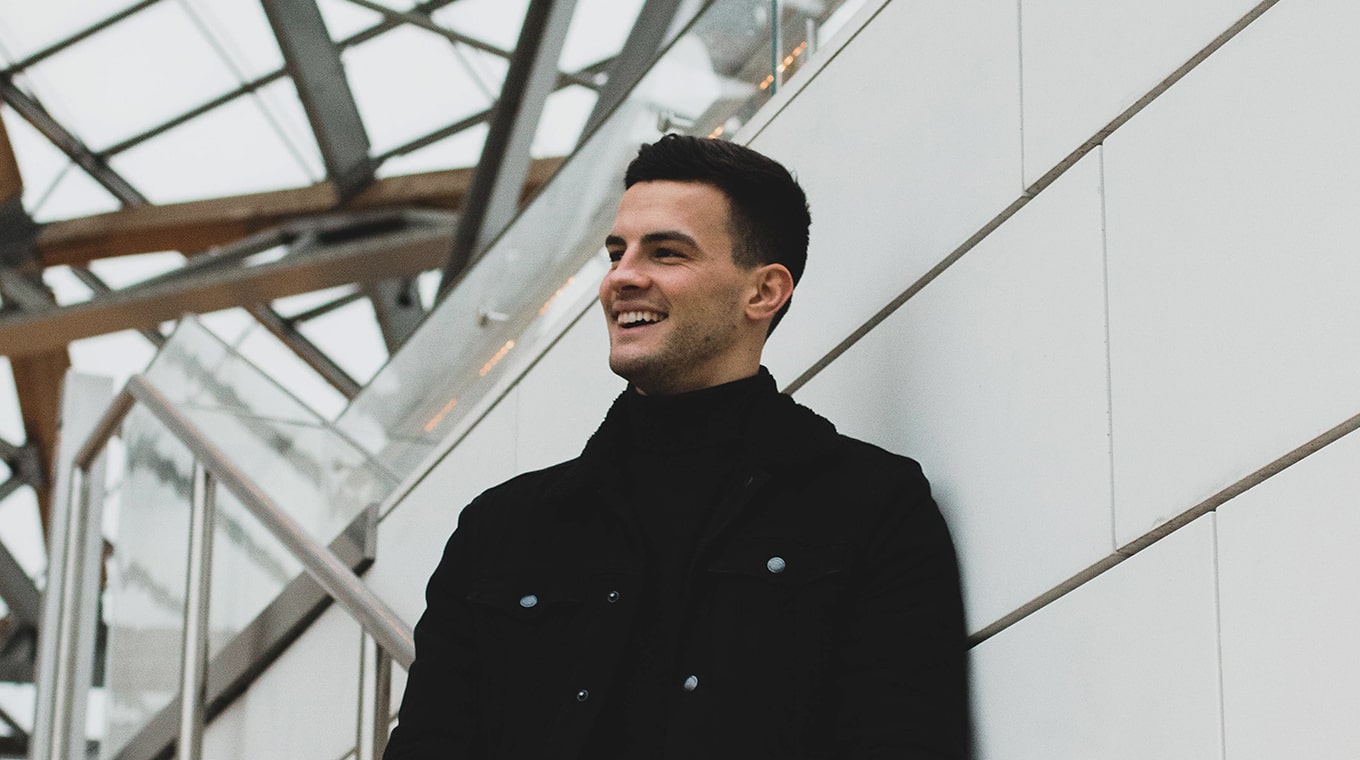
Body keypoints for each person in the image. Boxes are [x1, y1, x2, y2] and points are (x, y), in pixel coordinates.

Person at [383, 134, 968, 759]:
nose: (622, 277)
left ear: (764, 292)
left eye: (666, 253)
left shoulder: (870, 506)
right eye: (617, 253)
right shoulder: (498, 532)